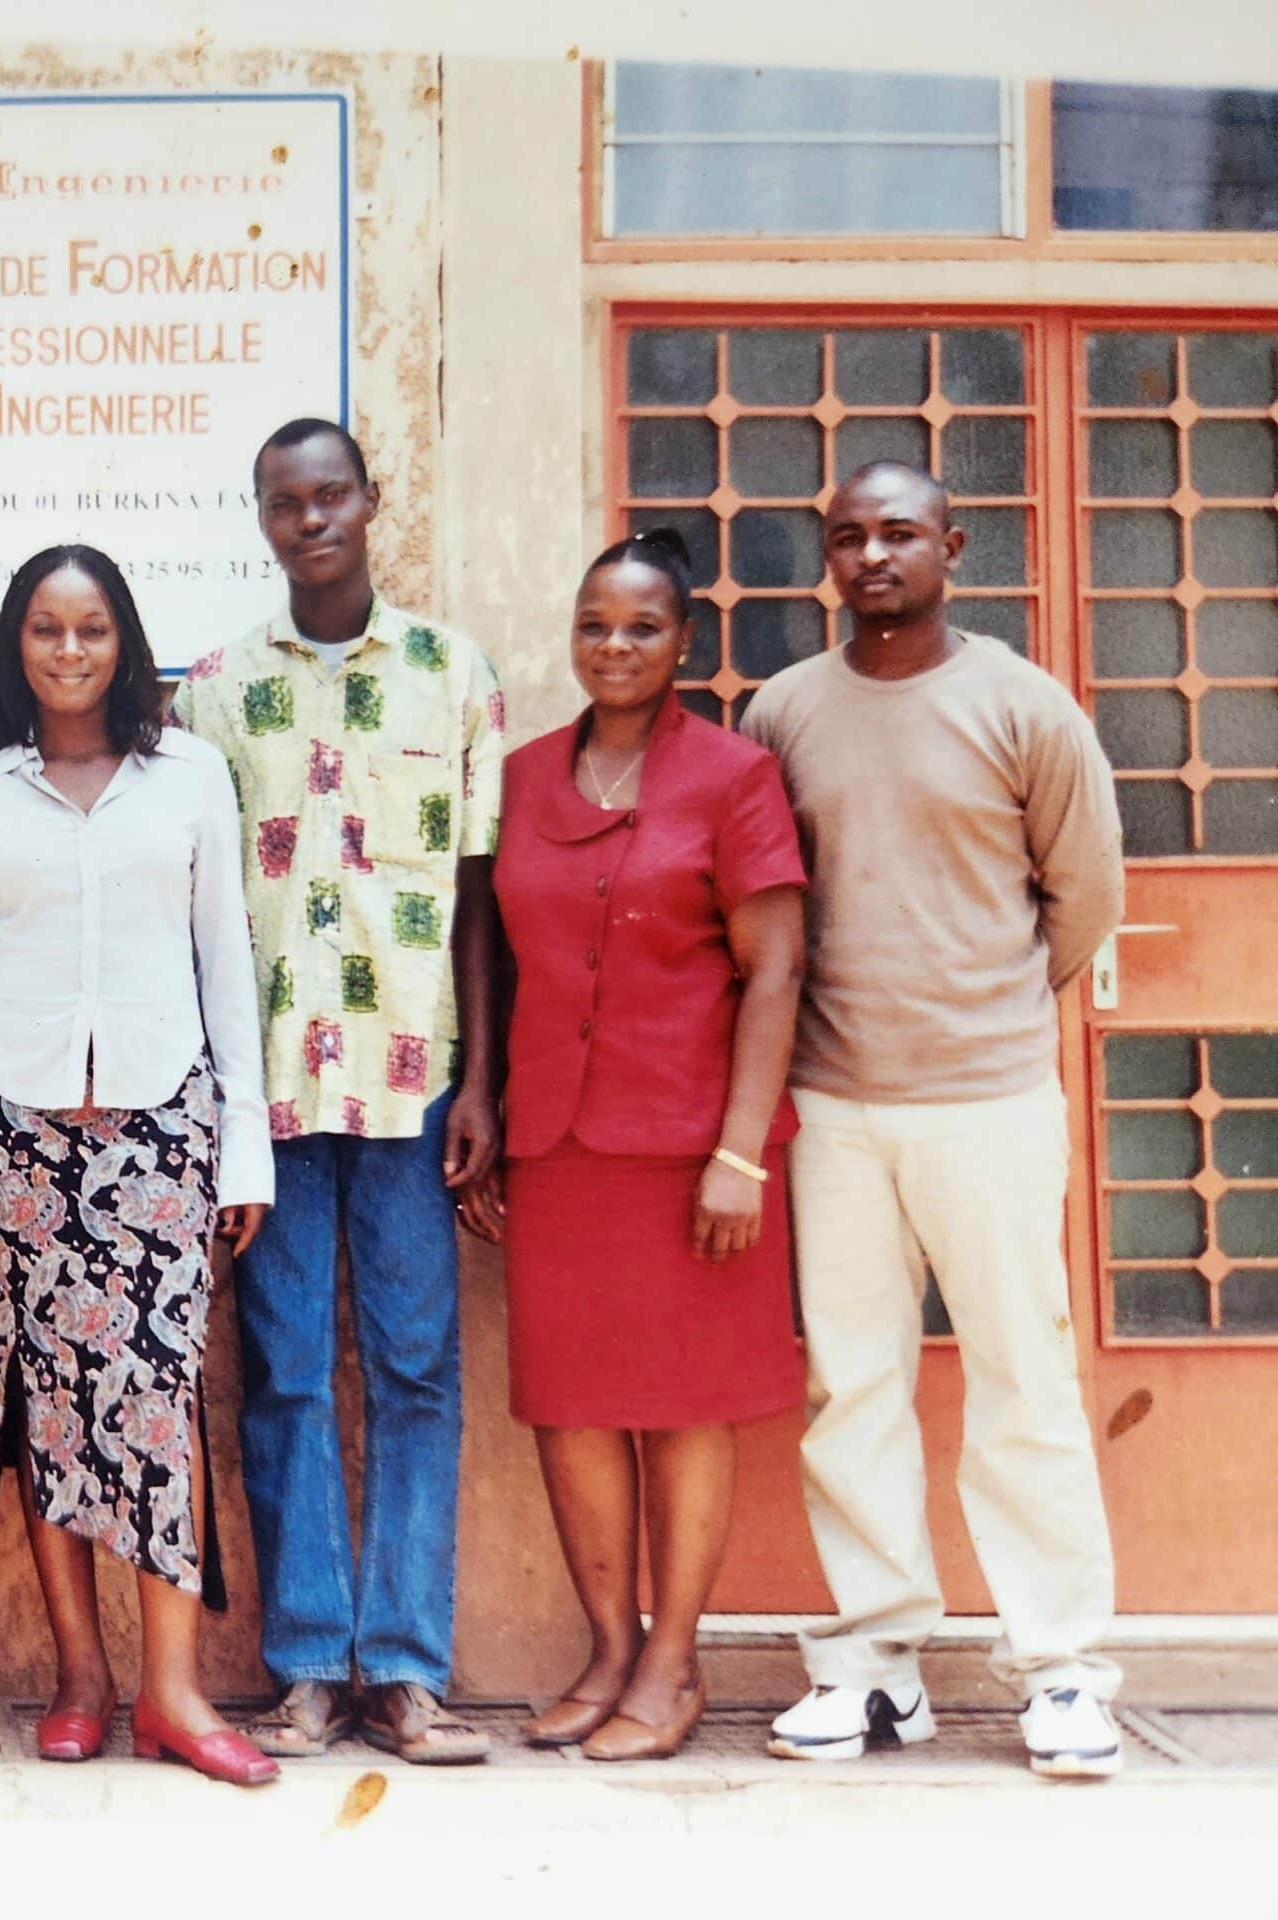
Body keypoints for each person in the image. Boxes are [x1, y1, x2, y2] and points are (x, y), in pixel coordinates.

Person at [740, 460, 1128, 1780]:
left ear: (952, 545)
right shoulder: (783, 709)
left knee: (1023, 1381)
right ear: (827, 557)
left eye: (900, 532)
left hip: (991, 1102)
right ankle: (874, 1664)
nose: (872, 555)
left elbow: (1084, 899)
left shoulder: (1025, 707)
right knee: (851, 1386)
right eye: (847, 535)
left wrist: (987, 1012)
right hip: (834, 1102)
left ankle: (1063, 1668)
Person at [0, 545, 277, 1787]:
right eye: (47, 630)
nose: (70, 652)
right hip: (14, 1144)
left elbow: (225, 963)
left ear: (126, 641)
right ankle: (82, 1677)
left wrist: (244, 1155)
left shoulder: (189, 776)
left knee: (155, 1408)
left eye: (94, 630)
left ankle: (172, 1692)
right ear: (16, 642)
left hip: (162, 1133)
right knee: (41, 1406)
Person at [172, 419, 504, 1766]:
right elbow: (196, 907)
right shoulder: (216, 690)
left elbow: (477, 897)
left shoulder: (449, 671)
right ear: (260, 520)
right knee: (288, 1371)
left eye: (331, 497)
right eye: (284, 503)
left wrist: (483, 1074)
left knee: (419, 1365)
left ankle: (409, 1668)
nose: (311, 520)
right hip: (272, 1089)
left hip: (415, 1080)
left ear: (372, 503)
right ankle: (310, 1663)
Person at [461, 530, 807, 1762]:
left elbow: (774, 973)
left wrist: (741, 1155)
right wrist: (487, 1104)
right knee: (572, 1407)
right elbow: (488, 956)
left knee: (686, 1409)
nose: (614, 647)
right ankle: (608, 1648)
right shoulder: (520, 778)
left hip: (690, 1150)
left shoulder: (732, 777)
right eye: (595, 625)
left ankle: (674, 1663)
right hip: (557, 1143)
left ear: (683, 644)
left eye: (642, 628)